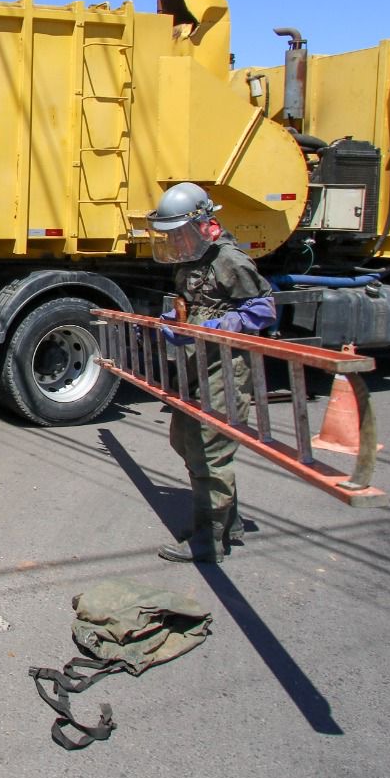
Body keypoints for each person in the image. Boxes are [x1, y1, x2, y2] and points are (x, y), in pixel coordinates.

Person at [147, 182, 276, 564]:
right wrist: (173, 320)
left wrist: (226, 324)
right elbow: (191, 304)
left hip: (224, 367)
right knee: (185, 440)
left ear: (204, 225)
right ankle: (229, 520)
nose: (176, 242)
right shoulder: (191, 260)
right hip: (194, 364)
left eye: (180, 234)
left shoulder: (229, 260)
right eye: (170, 237)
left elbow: (265, 308)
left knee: (211, 450)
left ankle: (210, 538)